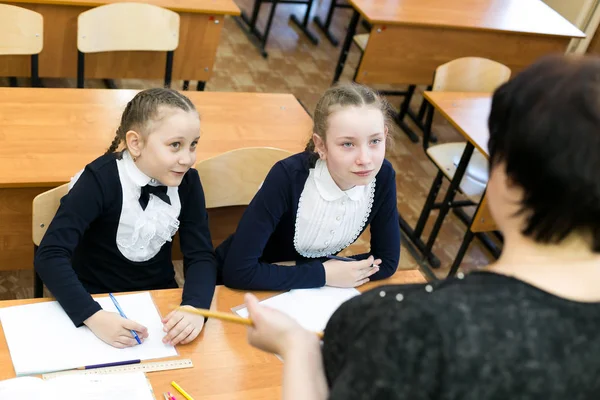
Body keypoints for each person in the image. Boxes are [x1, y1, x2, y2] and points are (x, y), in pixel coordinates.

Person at [243, 54, 600, 399]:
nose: (365, 157)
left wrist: (299, 349)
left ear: (504, 177)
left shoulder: (405, 324)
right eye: (349, 144)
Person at [35, 88, 218, 348]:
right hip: (93, 301)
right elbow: (50, 255)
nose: (188, 159)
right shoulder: (100, 180)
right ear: (135, 143)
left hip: (158, 304)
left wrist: (195, 305)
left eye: (193, 144)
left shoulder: (188, 182)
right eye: (175, 145)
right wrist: (93, 315)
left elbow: (200, 254)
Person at [216, 83, 401, 290]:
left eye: (375, 141)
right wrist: (323, 273)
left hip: (301, 290)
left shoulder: (382, 175)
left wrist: (325, 273)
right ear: (321, 145)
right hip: (235, 289)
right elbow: (239, 272)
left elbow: (387, 261)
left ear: (385, 135)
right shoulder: (287, 178)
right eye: (348, 144)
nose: (365, 159)